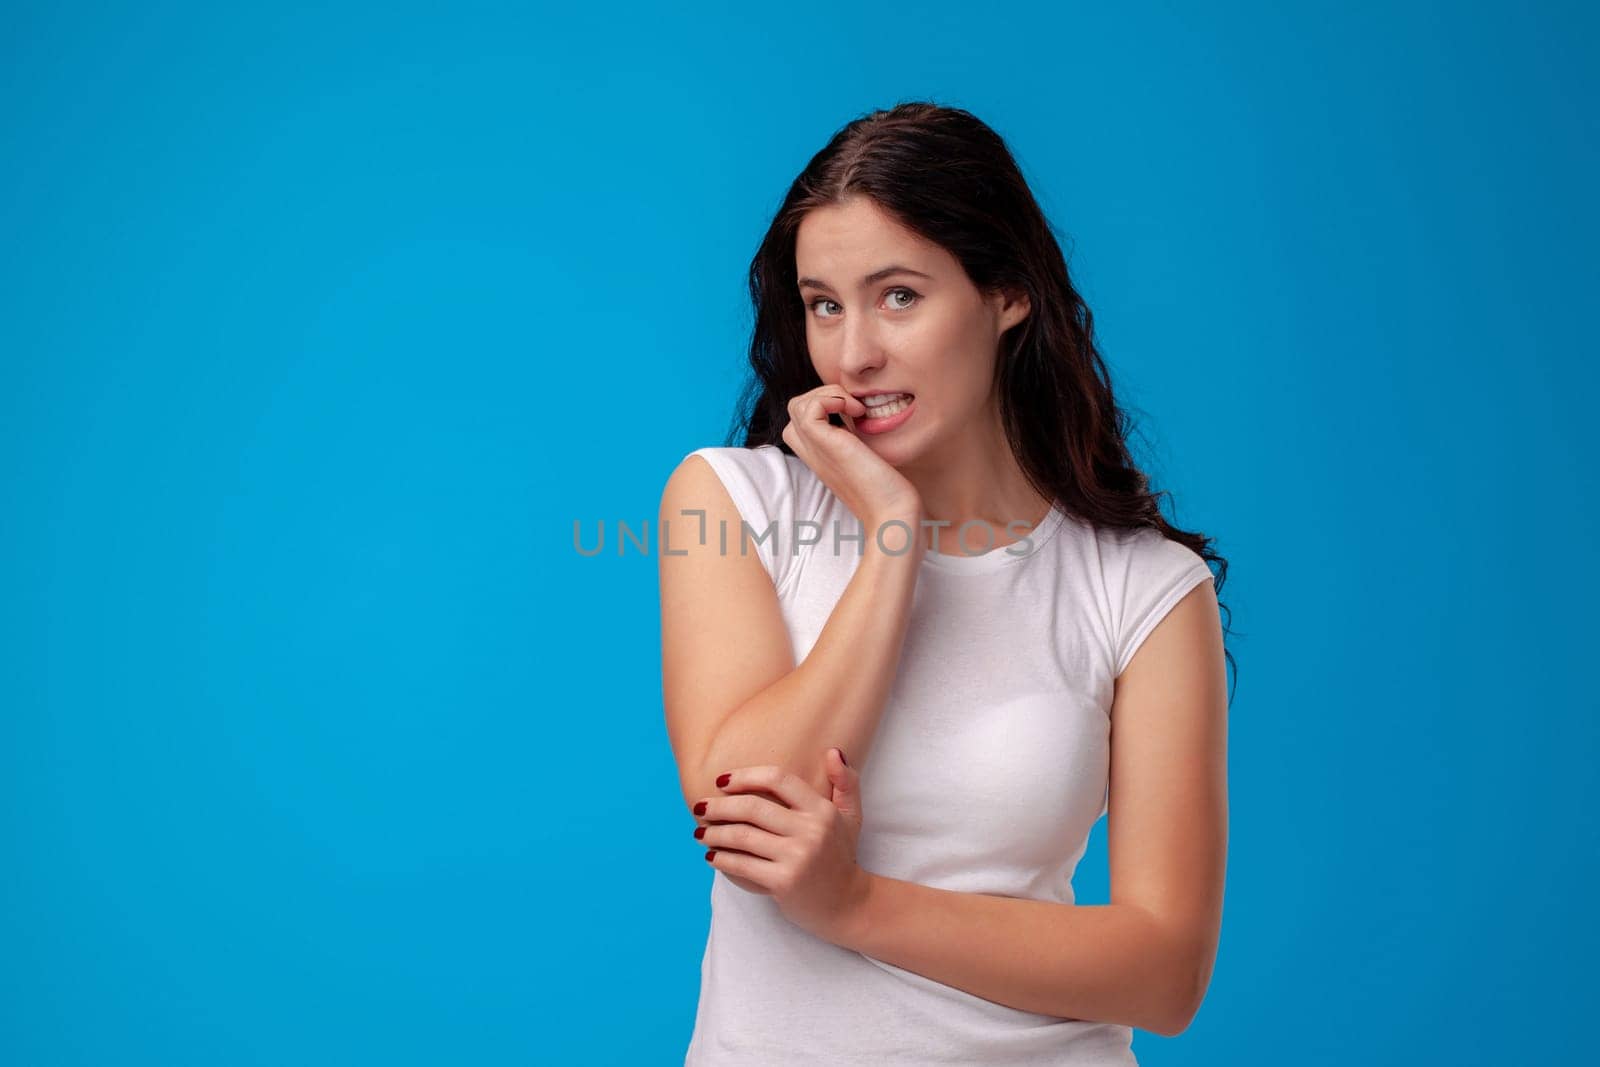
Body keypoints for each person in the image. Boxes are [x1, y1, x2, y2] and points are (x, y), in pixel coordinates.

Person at [657, 101, 1233, 1066]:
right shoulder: (729, 502)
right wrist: (893, 540)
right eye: (824, 303)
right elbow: (744, 811)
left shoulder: (1145, 589)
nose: (852, 354)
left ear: (1007, 294)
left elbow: (1164, 972)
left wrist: (855, 903)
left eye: (899, 296)